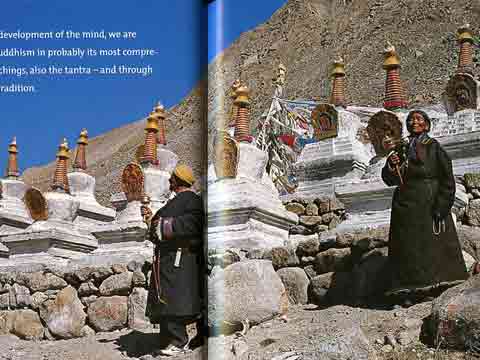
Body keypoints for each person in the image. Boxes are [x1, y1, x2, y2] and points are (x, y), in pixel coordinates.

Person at [382, 110, 467, 301]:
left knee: (431, 246)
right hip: (405, 206)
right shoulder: (401, 149)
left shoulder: (434, 147)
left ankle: (435, 287)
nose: (413, 122)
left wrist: (442, 205)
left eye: (418, 119)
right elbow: (390, 179)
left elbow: (447, 179)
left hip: (429, 203)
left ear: (427, 125)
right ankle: (409, 289)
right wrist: (390, 164)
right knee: (408, 247)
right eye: (410, 119)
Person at [142, 164, 205, 356]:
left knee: (175, 301)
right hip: (166, 259)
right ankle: (167, 341)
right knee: (166, 301)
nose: (169, 181)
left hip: (181, 258)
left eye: (172, 179)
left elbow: (194, 224)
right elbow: (156, 229)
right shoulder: (173, 203)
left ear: (177, 181)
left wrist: (163, 226)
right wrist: (151, 222)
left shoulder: (193, 200)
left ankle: (178, 342)